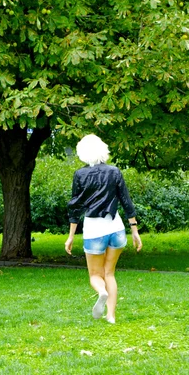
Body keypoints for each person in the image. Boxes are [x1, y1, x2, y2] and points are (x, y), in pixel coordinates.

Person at [65, 134, 142, 324]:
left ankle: (101, 292)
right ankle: (111, 316)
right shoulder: (114, 171)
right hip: (116, 229)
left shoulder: (80, 175)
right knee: (109, 273)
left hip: (94, 230)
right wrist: (134, 230)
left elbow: (75, 206)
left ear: (82, 153)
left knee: (95, 275)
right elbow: (126, 201)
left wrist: (71, 236)